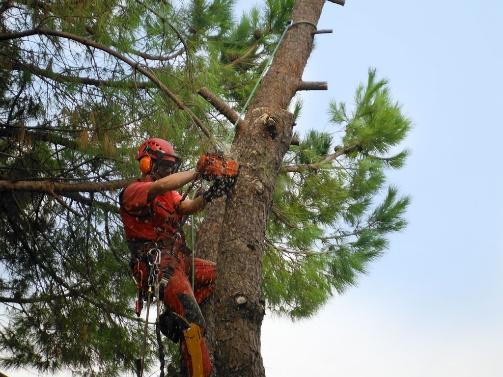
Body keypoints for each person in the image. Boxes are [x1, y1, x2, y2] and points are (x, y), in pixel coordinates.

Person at [119, 138, 236, 377]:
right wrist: (197, 172)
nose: (167, 171)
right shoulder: (134, 191)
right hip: (160, 268)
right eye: (162, 166)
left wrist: (211, 194)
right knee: (194, 323)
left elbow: (187, 207)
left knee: (221, 276)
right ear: (147, 164)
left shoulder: (170, 195)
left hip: (179, 262)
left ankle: (178, 315)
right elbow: (158, 187)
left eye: (170, 167)